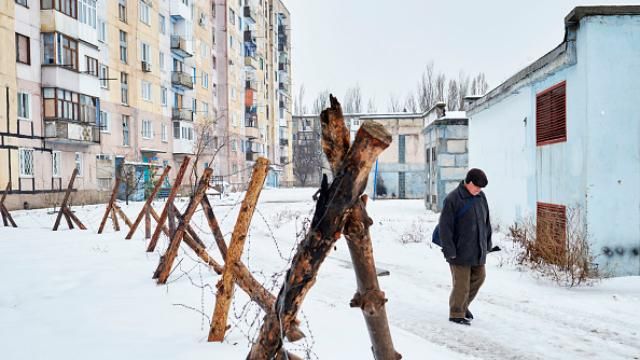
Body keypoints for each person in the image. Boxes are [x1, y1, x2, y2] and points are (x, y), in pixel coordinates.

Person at [438, 168, 493, 326]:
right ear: (468, 183)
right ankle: (456, 313)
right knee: (461, 283)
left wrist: (487, 244)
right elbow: (445, 228)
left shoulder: (481, 197)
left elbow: (486, 223)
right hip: (458, 250)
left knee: (479, 277)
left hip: (477, 249)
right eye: (476, 187)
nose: (479, 190)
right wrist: (449, 250)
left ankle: (463, 306)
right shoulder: (453, 199)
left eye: (481, 188)